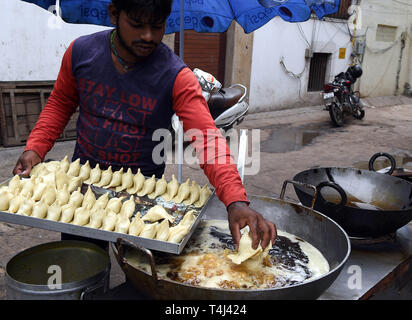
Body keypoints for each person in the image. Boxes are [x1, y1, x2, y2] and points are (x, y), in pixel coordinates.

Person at [13, 0, 276, 250]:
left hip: (143, 194)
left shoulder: (176, 76)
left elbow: (206, 138)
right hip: (82, 185)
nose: (149, 36)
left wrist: (235, 201)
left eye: (157, 25)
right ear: (115, 14)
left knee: (142, 272)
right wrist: (35, 149)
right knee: (83, 264)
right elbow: (60, 104)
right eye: (138, 24)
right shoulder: (81, 53)